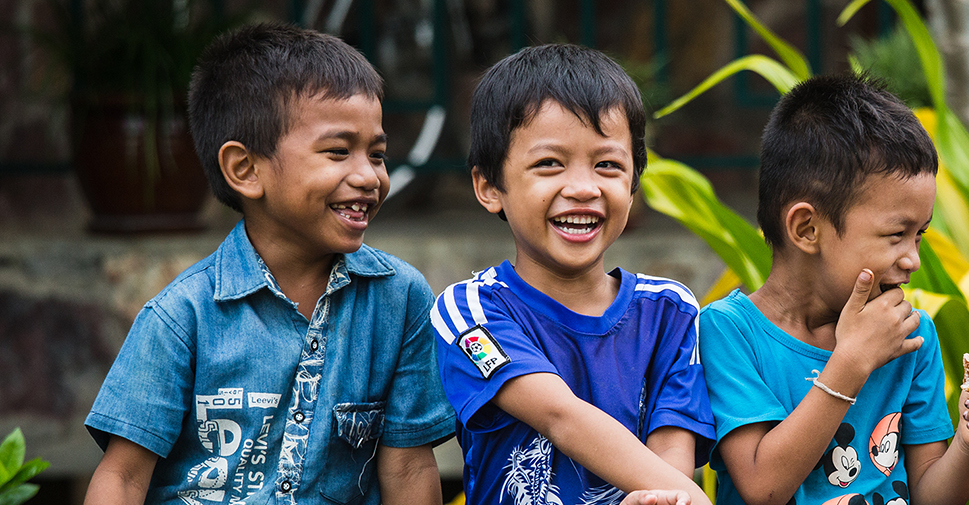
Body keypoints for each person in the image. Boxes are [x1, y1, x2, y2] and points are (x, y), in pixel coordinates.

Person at [83, 23, 454, 505]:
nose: (368, 176)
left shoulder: (399, 298)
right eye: (338, 152)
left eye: (378, 154)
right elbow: (123, 479)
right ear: (246, 170)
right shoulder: (183, 317)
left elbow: (408, 466)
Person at [699, 74, 969, 505]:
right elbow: (764, 487)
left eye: (920, 234)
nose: (913, 259)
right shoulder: (729, 332)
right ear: (807, 229)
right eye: (896, 235)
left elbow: (931, 496)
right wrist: (852, 360)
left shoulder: (909, 336)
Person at [430, 44, 715, 505]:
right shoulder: (471, 310)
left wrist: (666, 498)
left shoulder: (669, 310)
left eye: (607, 164)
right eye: (549, 164)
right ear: (488, 187)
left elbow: (671, 448)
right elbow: (559, 415)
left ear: (634, 182)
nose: (583, 188)